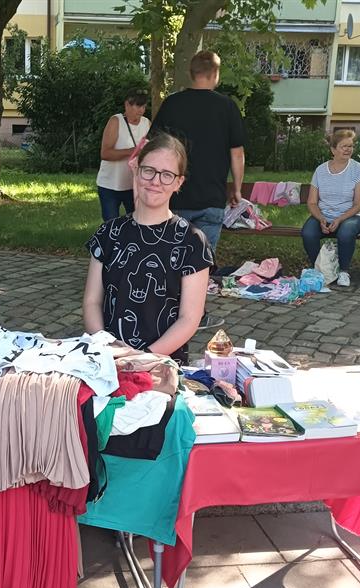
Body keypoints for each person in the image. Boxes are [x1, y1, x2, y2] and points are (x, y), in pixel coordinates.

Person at [83, 134, 213, 364]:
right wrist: (107, 348)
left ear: (179, 183)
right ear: (136, 171)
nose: (155, 181)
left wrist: (142, 358)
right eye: (148, 171)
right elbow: (92, 301)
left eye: (167, 175)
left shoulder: (192, 241)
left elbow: (189, 318)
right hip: (108, 360)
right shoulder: (109, 233)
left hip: (162, 363)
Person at [150, 50, 245, 252]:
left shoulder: (171, 104)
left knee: (171, 258)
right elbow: (237, 153)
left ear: (191, 73)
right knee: (203, 261)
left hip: (174, 195)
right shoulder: (227, 107)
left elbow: (153, 146)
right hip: (212, 198)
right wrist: (236, 189)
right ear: (215, 74)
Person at [302, 129, 360, 288]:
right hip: (324, 215)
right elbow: (312, 202)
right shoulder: (320, 170)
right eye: (344, 146)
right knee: (308, 232)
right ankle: (320, 269)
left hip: (350, 216)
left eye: (350, 146)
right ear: (333, 150)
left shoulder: (358, 169)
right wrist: (321, 218)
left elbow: (359, 203)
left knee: (345, 233)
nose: (348, 149)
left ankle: (343, 271)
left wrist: (339, 219)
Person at [96, 88, 151, 221]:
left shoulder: (147, 123)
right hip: (110, 185)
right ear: (127, 105)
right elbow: (105, 154)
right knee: (111, 224)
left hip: (134, 185)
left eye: (143, 106)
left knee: (137, 222)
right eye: (138, 106)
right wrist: (133, 151)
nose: (141, 110)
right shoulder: (116, 121)